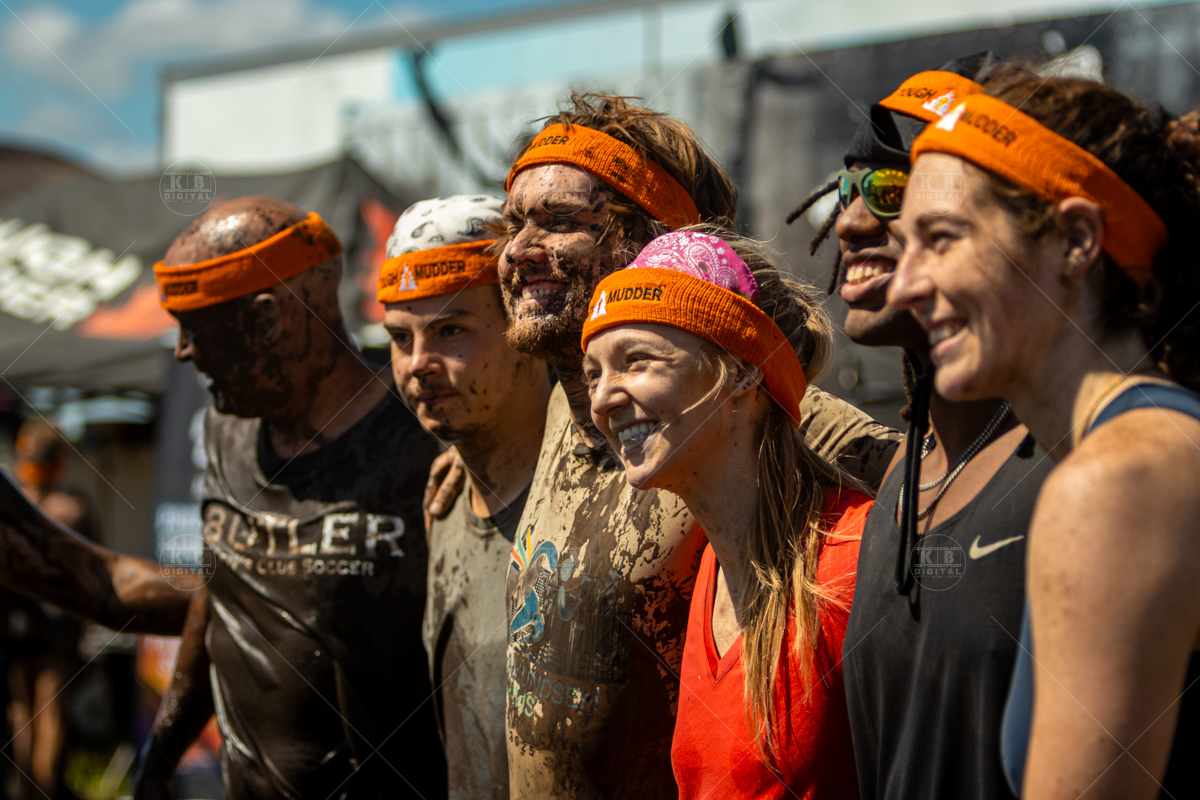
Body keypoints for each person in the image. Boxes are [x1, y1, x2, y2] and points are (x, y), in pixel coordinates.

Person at [480, 93, 899, 798]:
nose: (519, 251)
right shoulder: (556, 405)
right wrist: (462, 475)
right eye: (513, 222)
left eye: (558, 222)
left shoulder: (749, 407)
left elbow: (940, 498)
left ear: (654, 243)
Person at [888, 65, 1200, 798]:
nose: (903, 287)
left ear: (1076, 241)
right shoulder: (1153, 450)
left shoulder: (1120, 480)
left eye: (941, 238)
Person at [791, 56, 1054, 800]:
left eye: (889, 187)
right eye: (844, 188)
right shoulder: (899, 478)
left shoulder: (1078, 472)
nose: (849, 219)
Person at [134, 196, 445, 800]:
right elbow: (221, 598)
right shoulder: (226, 433)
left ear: (266, 319)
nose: (183, 351)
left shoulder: (425, 429)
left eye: (195, 327)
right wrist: (161, 753)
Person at [582, 229, 869, 798]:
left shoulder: (856, 560)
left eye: (636, 361)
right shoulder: (709, 570)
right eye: (594, 374)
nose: (602, 399)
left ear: (742, 370)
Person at [380, 195, 552, 800]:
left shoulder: (607, 491)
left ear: (522, 325)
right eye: (401, 339)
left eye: (450, 330)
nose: (418, 365)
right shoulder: (444, 503)